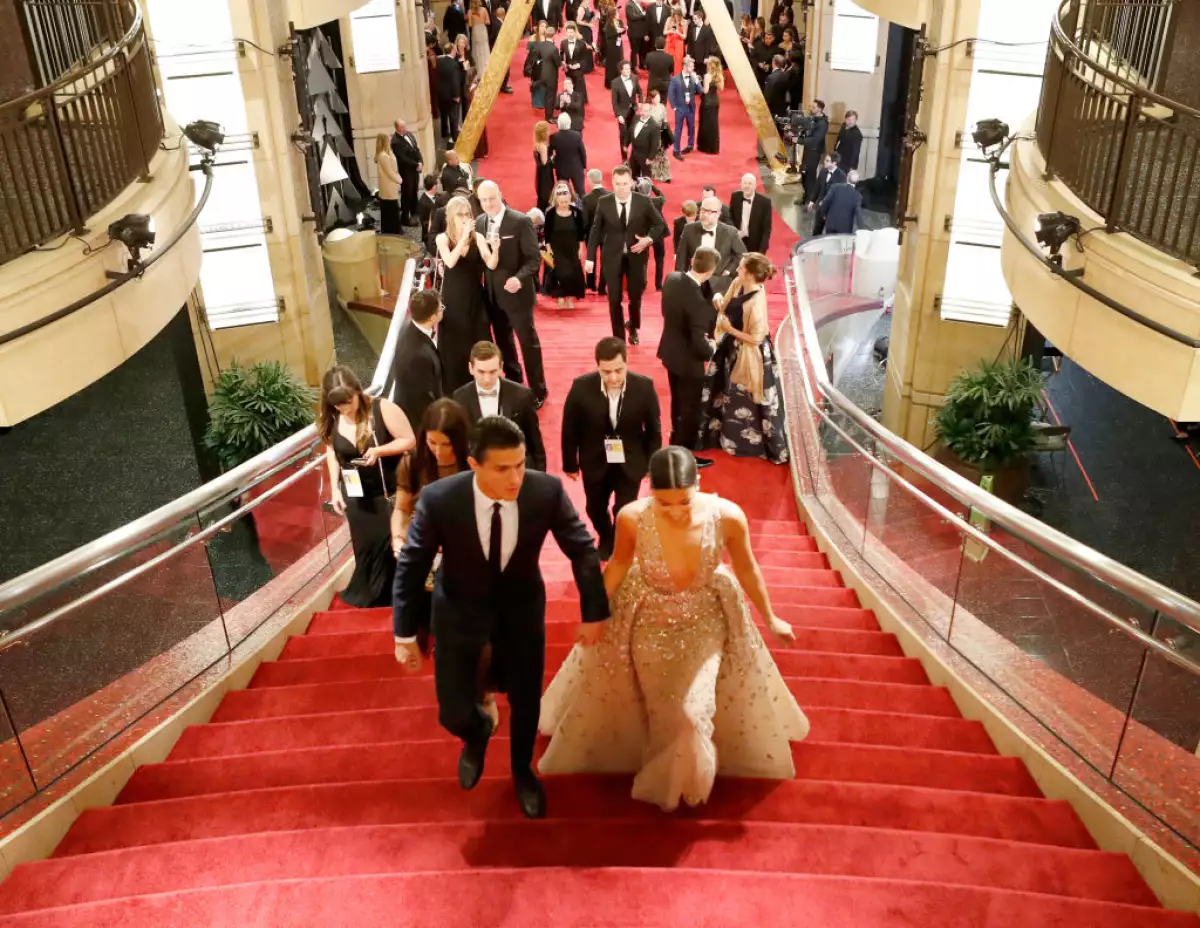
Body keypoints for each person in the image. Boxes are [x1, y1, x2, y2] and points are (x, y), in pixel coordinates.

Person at [538, 446, 808, 811]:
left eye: (684, 501)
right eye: (665, 505)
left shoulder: (728, 516)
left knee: (692, 709)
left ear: (698, 483)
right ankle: (669, 768)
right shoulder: (632, 517)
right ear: (651, 494)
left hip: (706, 618)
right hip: (648, 617)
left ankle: (680, 779)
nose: (677, 512)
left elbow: (746, 567)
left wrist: (771, 618)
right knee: (662, 704)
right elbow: (618, 565)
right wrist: (592, 615)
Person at [393, 417, 610, 820]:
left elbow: (581, 549)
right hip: (457, 611)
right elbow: (411, 563)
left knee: (526, 701)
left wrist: (594, 611)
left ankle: (522, 771)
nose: (515, 479)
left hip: (521, 611)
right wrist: (404, 632)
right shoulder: (441, 498)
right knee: (452, 710)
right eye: (502, 468)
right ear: (474, 464)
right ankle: (476, 733)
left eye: (520, 465)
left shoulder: (545, 491)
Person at [390, 399, 474, 673]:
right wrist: (397, 538)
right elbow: (401, 510)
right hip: (425, 555)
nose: (439, 452)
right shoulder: (413, 463)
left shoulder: (474, 462)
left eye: (447, 445)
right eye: (432, 442)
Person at [321, 365, 416, 608]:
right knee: (365, 546)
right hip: (355, 494)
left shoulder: (382, 408)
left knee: (390, 545)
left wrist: (379, 451)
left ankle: (397, 595)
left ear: (357, 390)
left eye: (348, 401)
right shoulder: (333, 416)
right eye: (339, 405)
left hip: (386, 492)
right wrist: (334, 489)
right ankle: (371, 594)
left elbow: (409, 440)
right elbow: (332, 450)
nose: (345, 409)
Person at [562, 337, 662, 560]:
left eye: (619, 370)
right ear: (598, 366)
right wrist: (570, 463)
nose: (613, 377)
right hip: (595, 460)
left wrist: (652, 464)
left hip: (631, 460)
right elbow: (570, 428)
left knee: (625, 510)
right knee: (594, 508)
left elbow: (654, 430)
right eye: (606, 372)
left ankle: (616, 540)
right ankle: (605, 535)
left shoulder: (644, 387)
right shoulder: (580, 387)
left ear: (627, 363)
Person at [699, 253, 788, 463]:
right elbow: (727, 304)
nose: (736, 270)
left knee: (743, 399)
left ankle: (748, 444)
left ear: (749, 274)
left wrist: (730, 329)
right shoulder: (739, 283)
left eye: (740, 268)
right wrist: (718, 299)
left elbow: (757, 338)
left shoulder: (756, 302)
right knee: (725, 391)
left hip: (749, 355)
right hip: (732, 349)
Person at [475, 180, 549, 406]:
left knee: (528, 343)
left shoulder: (520, 221)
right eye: (483, 200)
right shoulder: (479, 222)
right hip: (493, 296)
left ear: (500, 195)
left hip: (518, 296)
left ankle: (538, 390)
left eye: (491, 198)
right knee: (503, 343)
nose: (488, 204)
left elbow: (534, 259)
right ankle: (514, 382)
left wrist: (519, 278)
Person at [586, 164, 667, 345]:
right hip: (612, 256)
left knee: (635, 296)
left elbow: (659, 225)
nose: (621, 188)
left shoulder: (643, 201)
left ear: (631, 183)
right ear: (612, 183)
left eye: (624, 183)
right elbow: (595, 230)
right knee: (614, 298)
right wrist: (590, 257)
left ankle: (633, 327)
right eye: (617, 184)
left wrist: (647, 240)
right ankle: (618, 337)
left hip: (636, 256)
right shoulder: (604, 202)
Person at [658, 248, 717, 464]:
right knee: (689, 409)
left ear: (692, 261)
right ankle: (683, 456)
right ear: (710, 271)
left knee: (677, 404)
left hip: (670, 352)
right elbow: (699, 343)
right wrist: (714, 349)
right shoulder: (697, 302)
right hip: (688, 363)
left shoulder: (672, 278)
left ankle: (675, 445)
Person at [452, 340, 547, 471]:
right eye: (481, 372)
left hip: (515, 470)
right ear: (470, 368)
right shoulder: (459, 398)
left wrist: (539, 478)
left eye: (492, 372)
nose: (487, 378)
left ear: (501, 367)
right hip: (477, 472)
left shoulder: (522, 395)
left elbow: (535, 443)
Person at [435, 196, 492, 393]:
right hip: (453, 299)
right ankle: (454, 391)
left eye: (467, 214)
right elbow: (450, 262)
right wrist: (462, 238)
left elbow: (490, 262)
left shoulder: (479, 238)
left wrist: (496, 250)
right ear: (451, 217)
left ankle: (483, 385)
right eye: (460, 214)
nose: (465, 217)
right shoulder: (443, 238)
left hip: (475, 297)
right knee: (454, 347)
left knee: (480, 341)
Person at [392, 289, 445, 428]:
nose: (443, 309)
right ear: (433, 317)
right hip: (418, 421)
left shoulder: (409, 327)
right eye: (441, 308)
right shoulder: (417, 356)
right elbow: (421, 399)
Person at [675, 195, 746, 287]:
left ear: (718, 213)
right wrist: (680, 282)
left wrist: (729, 270)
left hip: (719, 283)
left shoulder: (730, 232)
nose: (704, 214)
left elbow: (741, 254)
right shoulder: (689, 229)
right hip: (694, 283)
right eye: (703, 210)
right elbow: (681, 258)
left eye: (709, 212)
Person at [544, 181, 587, 307]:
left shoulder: (576, 213)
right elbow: (547, 233)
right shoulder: (550, 213)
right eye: (561, 202)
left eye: (566, 202)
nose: (563, 204)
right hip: (557, 247)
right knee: (560, 272)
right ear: (557, 200)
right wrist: (548, 248)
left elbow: (581, 232)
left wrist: (581, 248)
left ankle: (569, 297)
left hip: (572, 246)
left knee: (573, 272)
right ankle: (561, 296)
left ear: (570, 199)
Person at [667, 55, 702, 160]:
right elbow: (670, 94)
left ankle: (690, 145)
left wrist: (696, 80)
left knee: (691, 127)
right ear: (685, 67)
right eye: (691, 67)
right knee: (678, 130)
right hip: (680, 108)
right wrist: (674, 107)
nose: (693, 69)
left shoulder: (693, 77)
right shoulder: (675, 79)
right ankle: (676, 150)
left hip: (691, 108)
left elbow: (700, 91)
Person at [391, 120, 424, 227]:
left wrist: (420, 162)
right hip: (406, 171)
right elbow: (402, 158)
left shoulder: (409, 134)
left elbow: (416, 148)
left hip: (415, 169)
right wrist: (416, 164)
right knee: (407, 193)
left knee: (414, 190)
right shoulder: (395, 141)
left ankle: (415, 213)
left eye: (405, 126)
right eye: (402, 127)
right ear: (396, 128)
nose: (404, 129)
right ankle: (405, 218)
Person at [730, 172, 773, 253]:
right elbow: (730, 217)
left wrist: (761, 251)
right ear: (741, 184)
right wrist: (735, 232)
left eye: (750, 183)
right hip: (737, 240)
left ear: (755, 185)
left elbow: (767, 229)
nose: (747, 186)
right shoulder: (735, 196)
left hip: (755, 244)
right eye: (744, 183)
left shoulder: (764, 202)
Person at [637, 177, 668, 290]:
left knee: (643, 260)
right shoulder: (658, 201)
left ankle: (643, 283)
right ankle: (658, 285)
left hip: (644, 233)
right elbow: (662, 196)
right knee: (659, 258)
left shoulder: (637, 203)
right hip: (658, 233)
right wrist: (653, 185)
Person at [549, 112, 587, 197]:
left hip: (561, 169)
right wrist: (584, 165)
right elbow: (582, 152)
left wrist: (553, 164)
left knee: (563, 193)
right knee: (580, 192)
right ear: (569, 122)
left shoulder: (554, 137)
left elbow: (550, 153)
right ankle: (583, 209)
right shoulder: (576, 135)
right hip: (576, 168)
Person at [817, 169, 865, 235]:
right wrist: (863, 230)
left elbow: (826, 202)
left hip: (831, 224)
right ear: (857, 181)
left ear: (847, 178)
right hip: (845, 229)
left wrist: (823, 215)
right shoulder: (857, 196)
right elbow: (859, 216)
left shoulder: (835, 187)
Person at [582, 168, 607, 292]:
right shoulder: (610, 196)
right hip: (607, 233)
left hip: (591, 233)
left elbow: (585, 221)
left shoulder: (587, 198)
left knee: (591, 257)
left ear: (590, 181)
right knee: (605, 258)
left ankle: (590, 284)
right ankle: (602, 286)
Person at [801, 98, 830, 206]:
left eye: (813, 107)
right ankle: (806, 197)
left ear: (820, 109)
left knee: (810, 176)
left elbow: (815, 139)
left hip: (814, 152)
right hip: (808, 150)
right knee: (804, 174)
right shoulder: (812, 118)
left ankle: (810, 200)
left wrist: (799, 140)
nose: (811, 109)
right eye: (811, 106)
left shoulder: (823, 123)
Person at [610, 59, 642, 155]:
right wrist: (618, 115)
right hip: (622, 113)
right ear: (621, 70)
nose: (628, 71)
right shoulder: (615, 83)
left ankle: (634, 155)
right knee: (623, 135)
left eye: (629, 68)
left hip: (633, 111)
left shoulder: (634, 78)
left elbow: (639, 92)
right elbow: (614, 102)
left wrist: (640, 102)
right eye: (626, 69)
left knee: (634, 133)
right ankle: (624, 157)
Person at [435, 42, 464, 145]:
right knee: (453, 116)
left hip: (441, 94)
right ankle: (454, 135)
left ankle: (444, 132)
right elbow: (454, 81)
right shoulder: (454, 64)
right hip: (451, 95)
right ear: (452, 51)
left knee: (444, 114)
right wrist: (456, 95)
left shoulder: (440, 61)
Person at [624, 99, 660, 180]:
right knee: (632, 175)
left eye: (646, 111)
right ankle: (634, 191)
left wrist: (650, 158)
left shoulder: (654, 126)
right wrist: (626, 144)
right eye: (642, 110)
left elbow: (655, 144)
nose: (643, 113)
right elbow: (630, 131)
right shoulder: (636, 118)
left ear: (650, 112)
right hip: (634, 153)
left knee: (646, 178)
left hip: (645, 156)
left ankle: (645, 192)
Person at [374, 133, 402, 234]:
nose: (390, 142)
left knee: (389, 209)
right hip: (389, 186)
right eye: (388, 140)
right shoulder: (383, 156)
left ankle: (391, 229)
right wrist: (400, 180)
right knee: (392, 209)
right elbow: (390, 171)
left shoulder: (384, 154)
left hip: (387, 187)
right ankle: (393, 230)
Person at [806, 151, 846, 219]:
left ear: (834, 163)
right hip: (819, 207)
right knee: (817, 228)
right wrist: (812, 201)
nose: (824, 162)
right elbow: (817, 187)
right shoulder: (823, 171)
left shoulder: (841, 176)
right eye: (825, 160)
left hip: (831, 210)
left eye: (827, 161)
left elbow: (840, 196)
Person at [697, 54, 722, 155]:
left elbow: (705, 91)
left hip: (707, 102)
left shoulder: (707, 76)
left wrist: (699, 84)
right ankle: (713, 147)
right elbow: (721, 88)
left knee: (705, 124)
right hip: (715, 101)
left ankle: (705, 146)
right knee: (714, 124)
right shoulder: (719, 76)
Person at [559, 22, 590, 103]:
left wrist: (578, 65)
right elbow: (561, 55)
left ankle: (579, 101)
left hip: (578, 70)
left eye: (571, 32)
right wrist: (563, 63)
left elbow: (585, 58)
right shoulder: (563, 42)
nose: (569, 34)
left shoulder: (582, 44)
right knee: (569, 86)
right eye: (568, 32)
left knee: (579, 86)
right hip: (568, 69)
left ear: (575, 32)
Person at [646, 89, 672, 183]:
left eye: (659, 97)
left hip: (661, 134)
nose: (659, 99)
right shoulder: (648, 108)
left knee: (663, 154)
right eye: (657, 98)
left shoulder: (662, 107)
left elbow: (665, 119)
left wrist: (665, 126)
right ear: (652, 99)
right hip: (652, 134)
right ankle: (654, 173)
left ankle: (665, 175)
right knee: (653, 154)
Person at [601, 5, 627, 89]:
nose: (618, 14)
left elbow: (622, 32)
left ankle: (619, 81)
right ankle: (611, 83)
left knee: (620, 61)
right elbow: (608, 34)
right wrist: (618, 31)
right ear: (612, 14)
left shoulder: (619, 21)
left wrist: (624, 29)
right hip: (612, 46)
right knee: (612, 64)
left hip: (618, 45)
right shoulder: (608, 23)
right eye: (617, 13)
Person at [532, 121, 555, 212]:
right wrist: (552, 157)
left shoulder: (537, 143)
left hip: (541, 172)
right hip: (546, 173)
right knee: (546, 191)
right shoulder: (543, 146)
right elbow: (545, 162)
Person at [645, 36, 674, 100]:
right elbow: (671, 70)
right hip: (664, 84)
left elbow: (647, 68)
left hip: (653, 83)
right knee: (663, 105)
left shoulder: (649, 56)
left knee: (651, 104)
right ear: (665, 45)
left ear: (655, 45)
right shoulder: (670, 57)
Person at [468, 0, 491, 72]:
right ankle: (487, 67)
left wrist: (475, 18)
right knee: (485, 48)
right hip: (483, 30)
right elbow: (488, 22)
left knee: (477, 50)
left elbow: (470, 25)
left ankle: (479, 69)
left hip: (476, 31)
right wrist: (482, 20)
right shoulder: (484, 9)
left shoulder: (470, 11)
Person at [625, 0, 648, 71]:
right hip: (634, 32)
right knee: (634, 50)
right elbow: (632, 16)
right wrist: (643, 14)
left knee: (642, 49)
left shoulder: (638, 4)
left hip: (640, 31)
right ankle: (633, 66)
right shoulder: (629, 5)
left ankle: (642, 64)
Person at [418, 175, 439, 247]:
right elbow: (423, 222)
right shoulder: (423, 203)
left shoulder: (437, 196)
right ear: (434, 187)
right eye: (436, 185)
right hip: (429, 236)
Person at [664, 7, 686, 73]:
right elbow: (664, 32)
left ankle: (677, 77)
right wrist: (670, 31)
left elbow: (684, 36)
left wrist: (678, 33)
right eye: (675, 16)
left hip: (679, 44)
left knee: (678, 62)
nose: (676, 18)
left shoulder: (684, 22)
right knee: (668, 60)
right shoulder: (669, 19)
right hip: (669, 42)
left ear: (680, 15)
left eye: (677, 16)